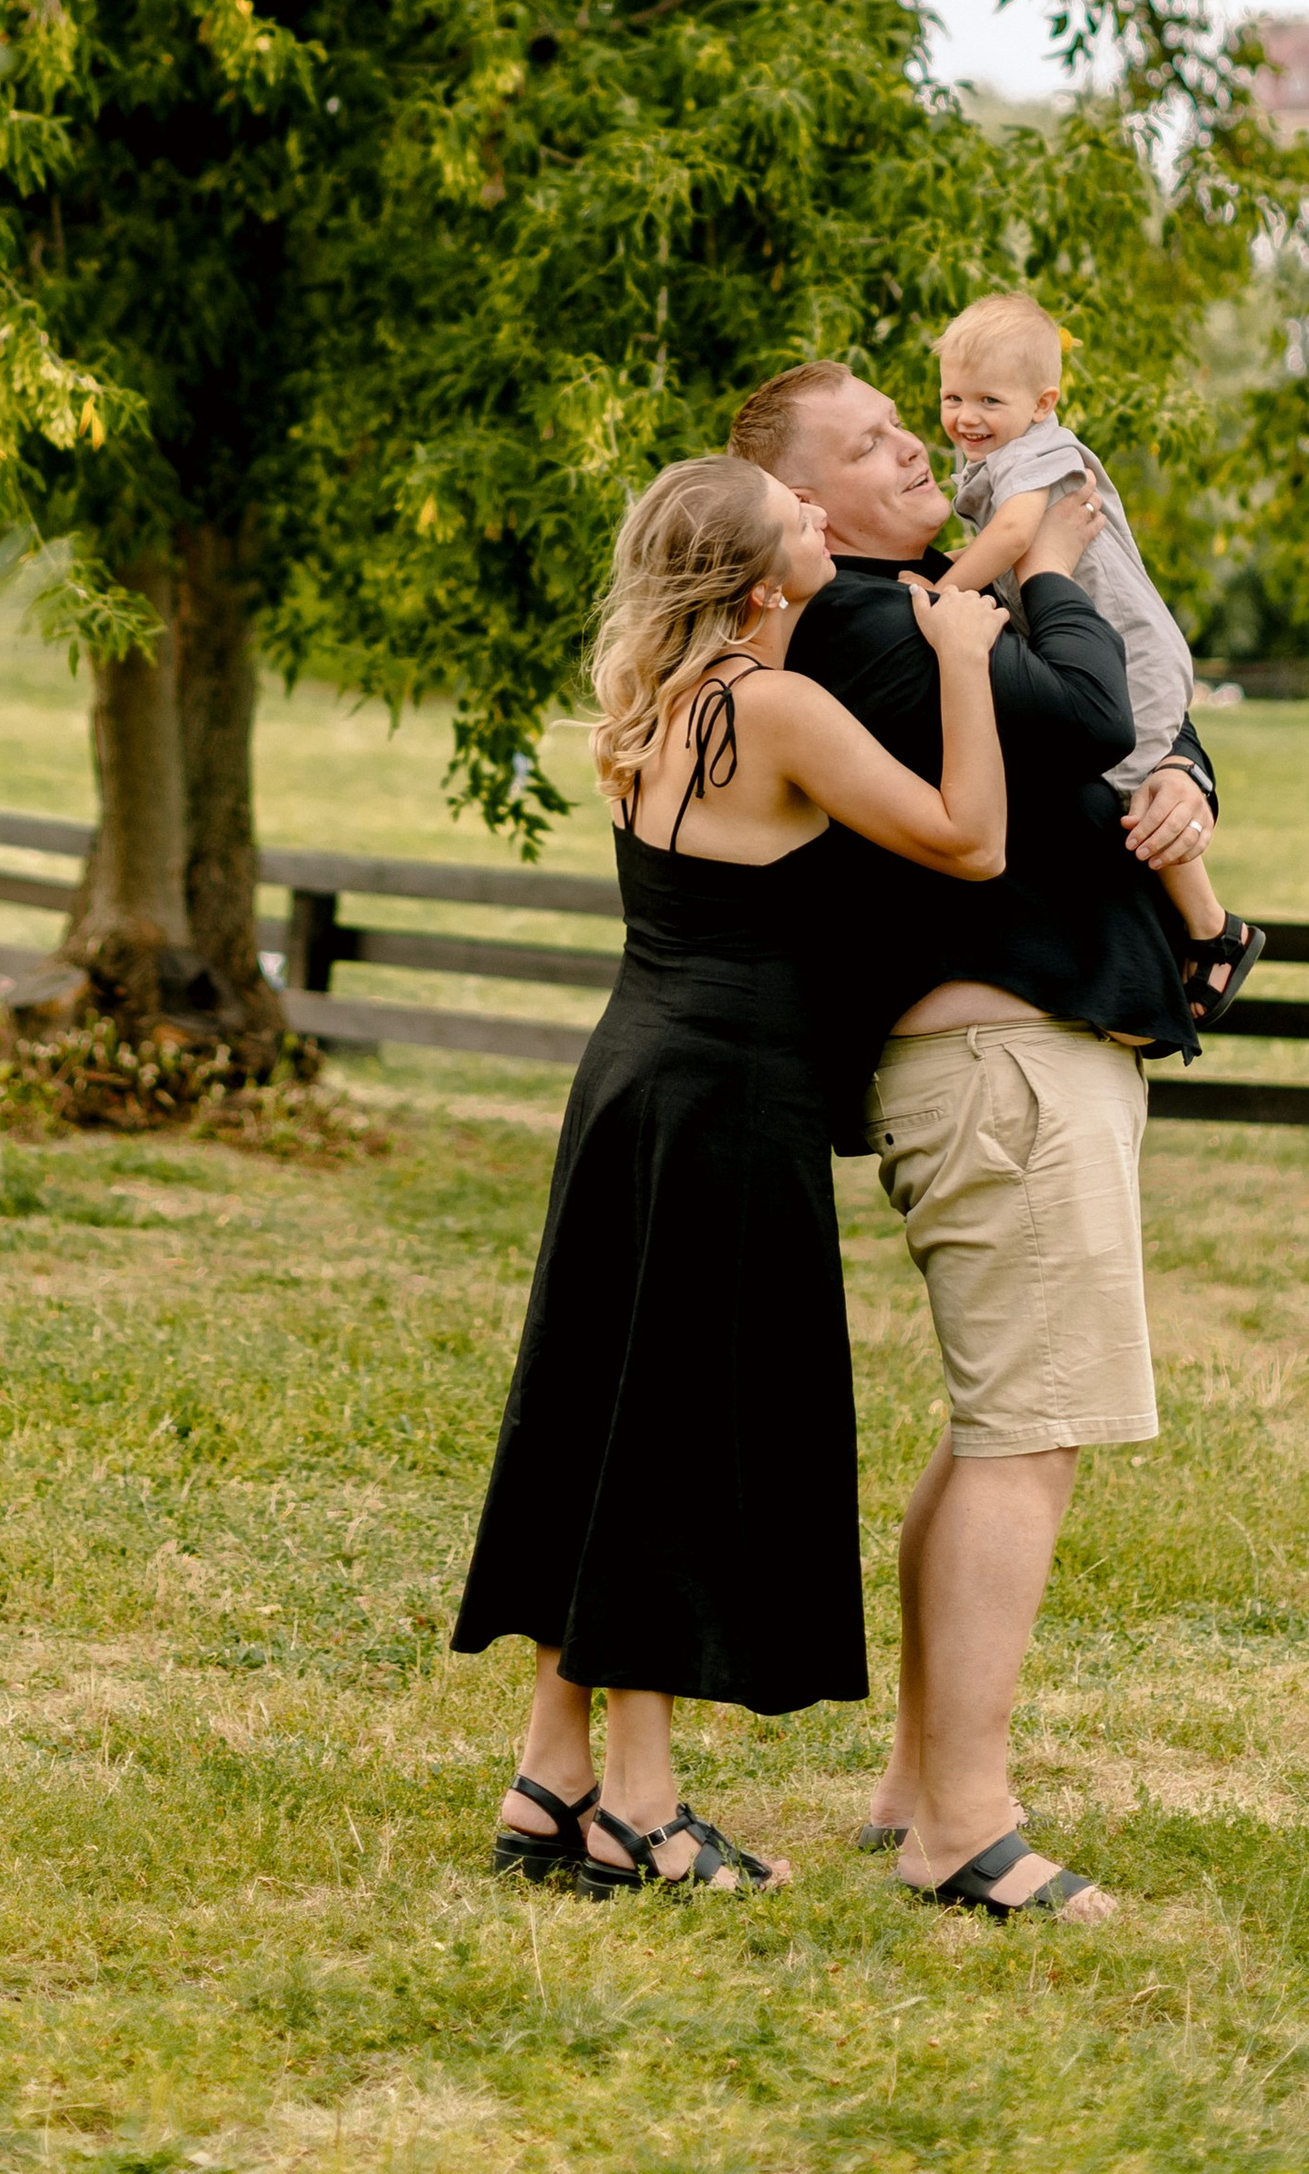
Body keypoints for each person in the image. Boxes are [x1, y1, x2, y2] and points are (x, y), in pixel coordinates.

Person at [452, 450, 1012, 1895]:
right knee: (677, 1430)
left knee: (609, 1407)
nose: (826, 518)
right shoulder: (775, 708)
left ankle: (550, 1771)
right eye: (800, 519)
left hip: (633, 1071)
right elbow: (968, 838)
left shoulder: (659, 701)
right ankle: (638, 1803)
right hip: (728, 1095)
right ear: (765, 583)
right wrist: (960, 651)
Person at [728, 360, 1222, 1924]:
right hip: (1002, 1060)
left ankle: (917, 1788)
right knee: (1029, 1432)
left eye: (903, 423)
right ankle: (967, 1826)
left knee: (997, 1422)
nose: (915, 447)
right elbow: (1084, 716)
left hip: (1024, 1055)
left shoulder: (936, 601)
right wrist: (1059, 566)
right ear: (804, 504)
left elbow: (1134, 737)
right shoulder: (870, 624)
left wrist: (1191, 789)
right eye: (870, 444)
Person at [932, 289, 1263, 1027]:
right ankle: (1195, 927)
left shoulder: (1039, 454)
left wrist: (935, 590)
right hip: (1100, 643)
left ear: (1044, 402)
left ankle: (1212, 929)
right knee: (1126, 785)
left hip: (1130, 651)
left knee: (1134, 783)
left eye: (990, 399)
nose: (965, 417)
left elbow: (1017, 537)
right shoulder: (1000, 453)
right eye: (952, 397)